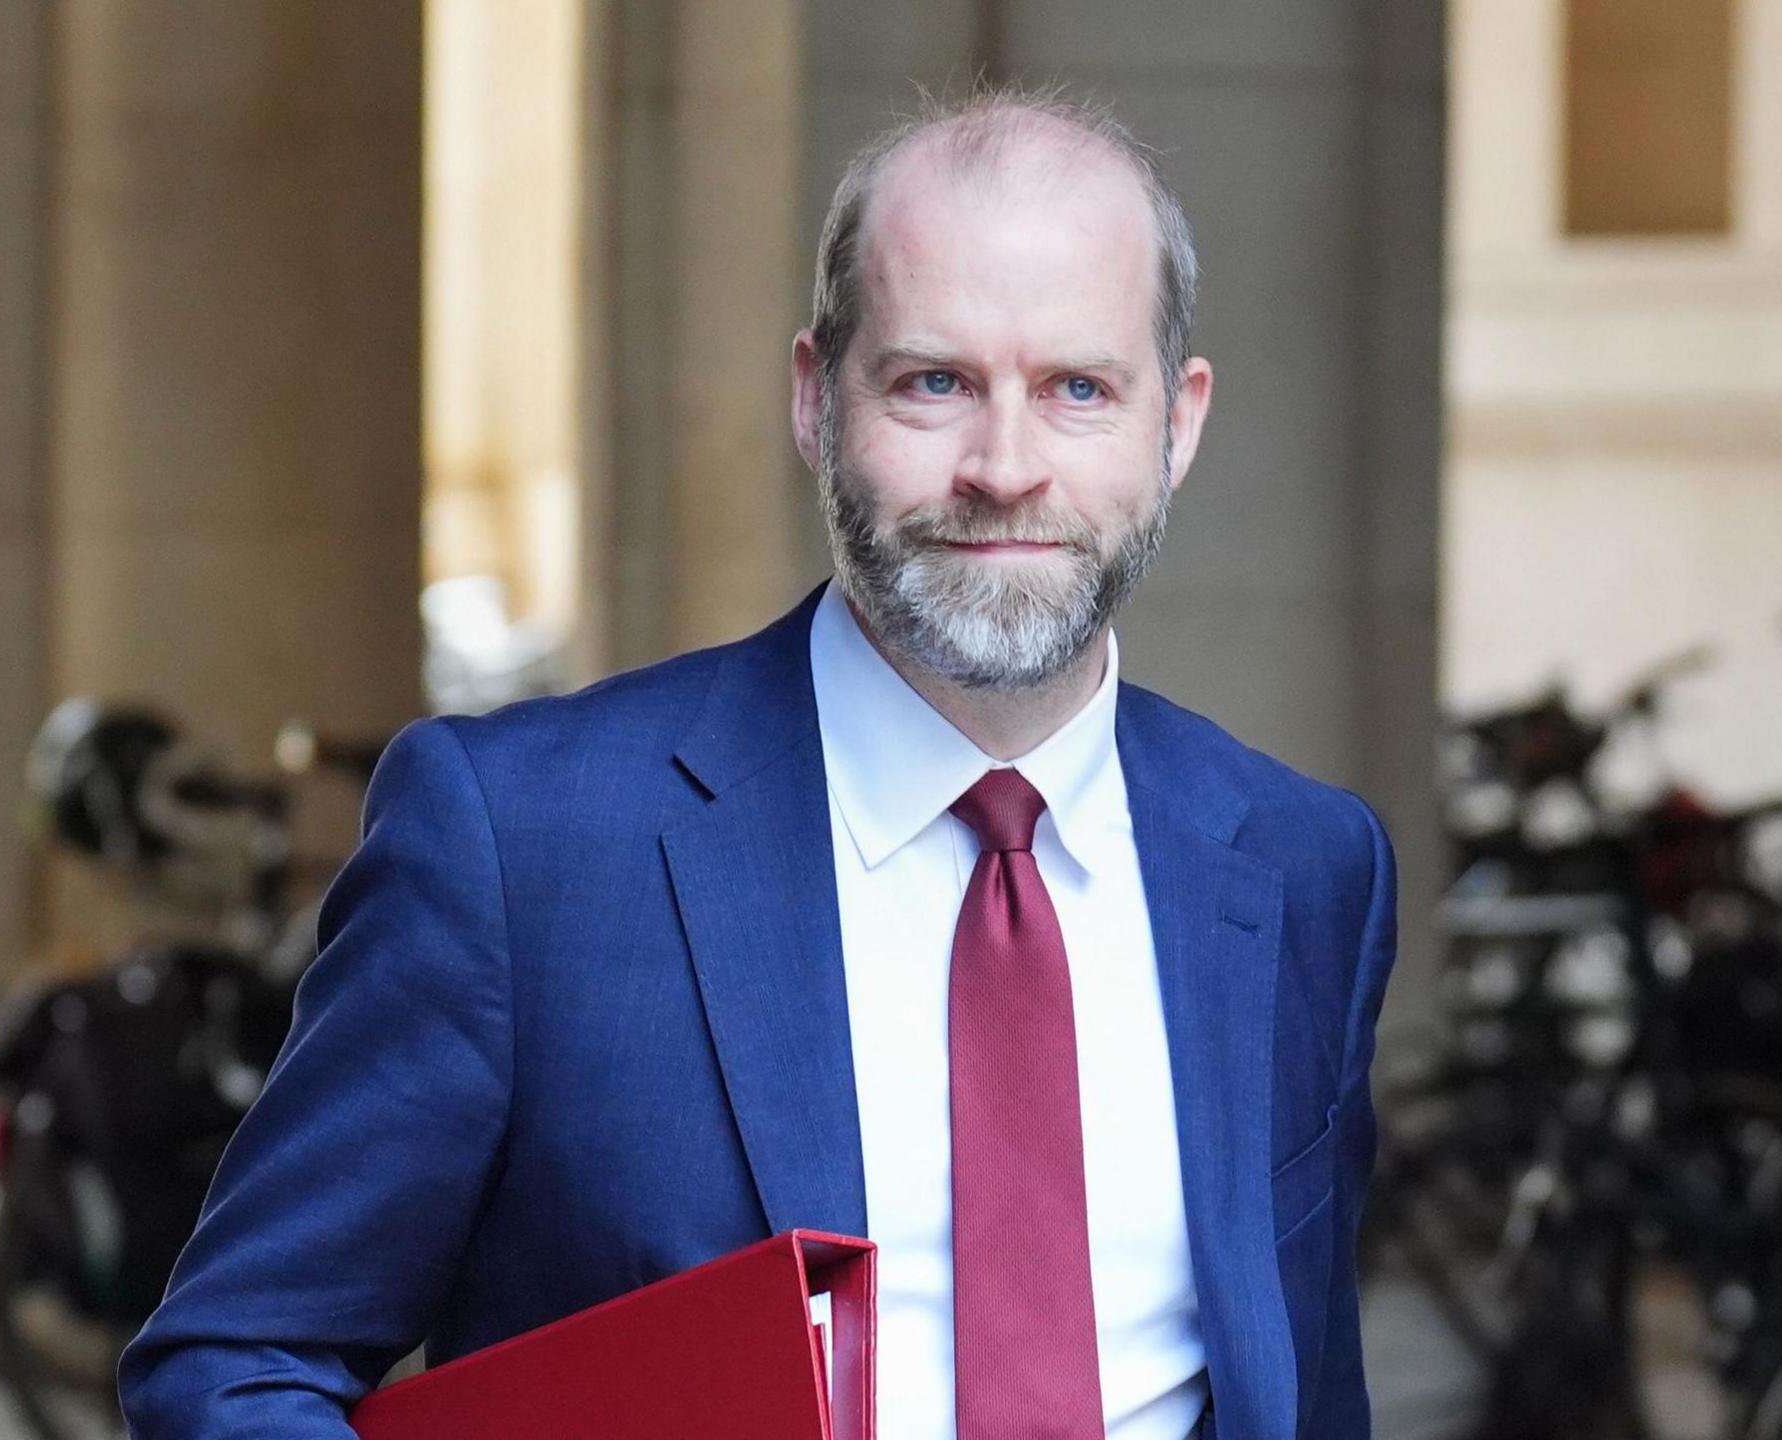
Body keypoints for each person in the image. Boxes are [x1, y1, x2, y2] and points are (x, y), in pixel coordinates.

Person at [119, 87, 1398, 1440]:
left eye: (1078, 388)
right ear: (813, 398)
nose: (1003, 466)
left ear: (1178, 423)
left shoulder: (1305, 871)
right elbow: (234, 1366)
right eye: (934, 382)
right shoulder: (520, 846)